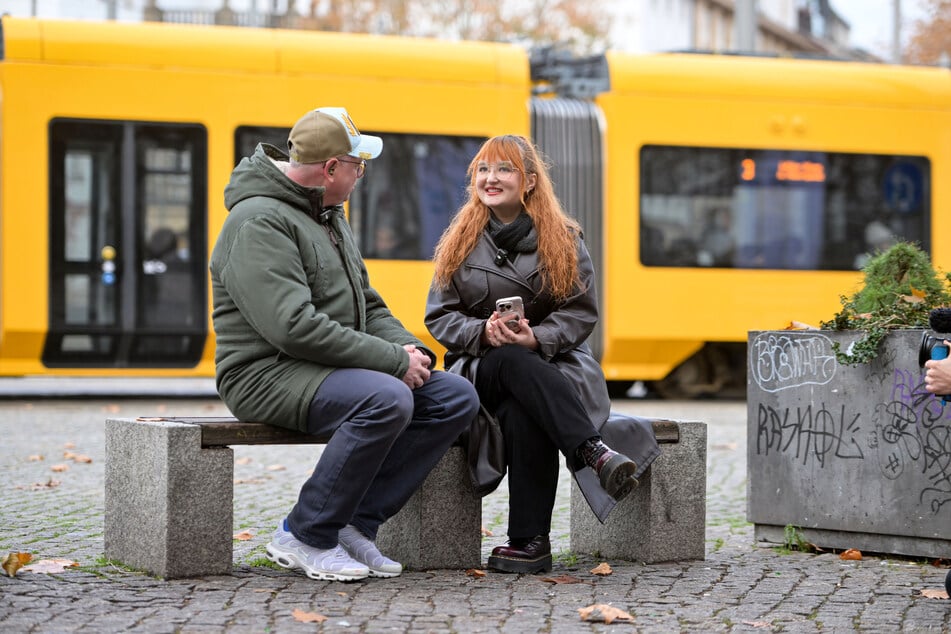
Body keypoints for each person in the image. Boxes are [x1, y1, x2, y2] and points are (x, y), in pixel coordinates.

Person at [210, 107, 479, 582]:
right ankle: (306, 534)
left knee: (454, 395)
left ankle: (356, 524)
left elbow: (368, 306)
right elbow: (292, 328)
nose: (360, 175)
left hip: (320, 367)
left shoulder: (328, 216)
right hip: (264, 372)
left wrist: (409, 351)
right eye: (357, 165)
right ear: (331, 168)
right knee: (386, 397)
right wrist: (392, 363)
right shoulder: (258, 222)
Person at [424, 134, 660, 574]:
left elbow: (581, 312)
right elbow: (439, 317)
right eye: (483, 170)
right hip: (479, 368)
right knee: (511, 364)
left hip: (550, 369)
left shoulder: (564, 237)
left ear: (529, 181)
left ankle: (530, 543)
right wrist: (484, 332)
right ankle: (591, 451)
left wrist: (537, 338)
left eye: (504, 169)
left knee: (523, 407)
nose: (490, 179)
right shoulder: (457, 239)